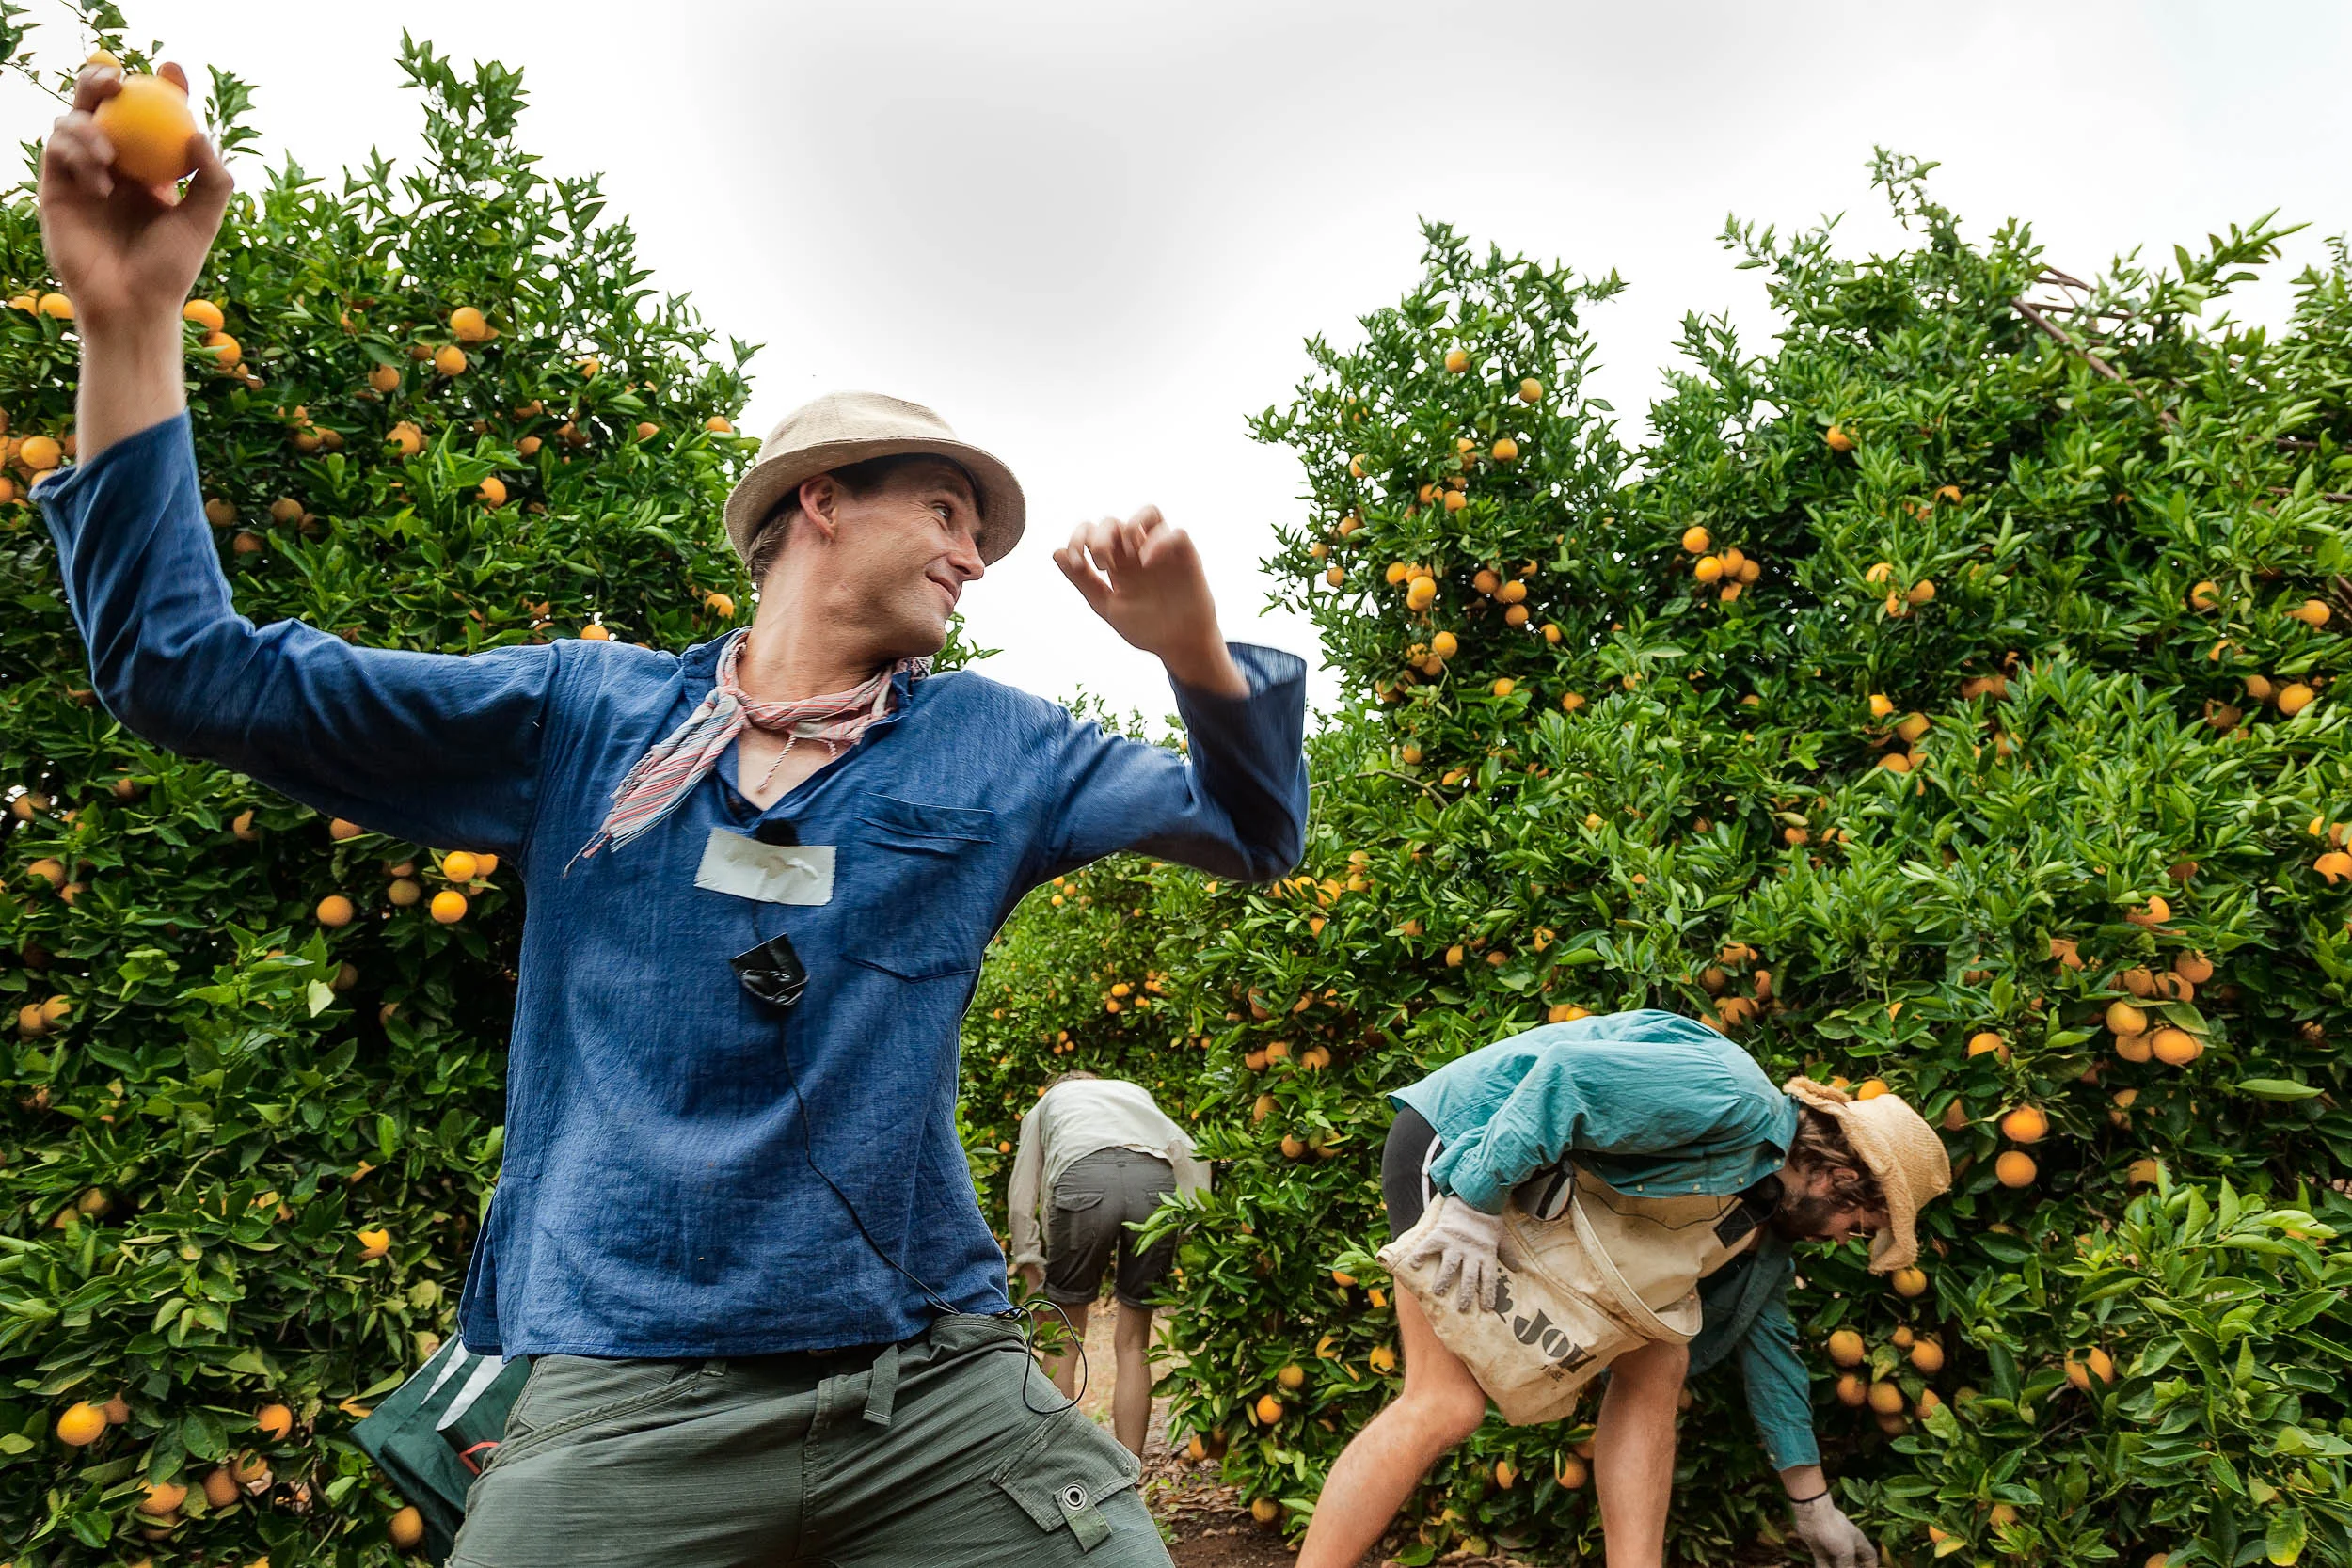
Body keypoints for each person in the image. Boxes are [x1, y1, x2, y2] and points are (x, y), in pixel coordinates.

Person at [38, 65, 1309, 1568]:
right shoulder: (584, 718)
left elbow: (1251, 832)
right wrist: (133, 322)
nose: (977, 554)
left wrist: (1192, 652)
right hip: (629, 1391)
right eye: (949, 510)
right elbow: (186, 671)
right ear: (823, 501)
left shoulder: (995, 744)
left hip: (932, 1383)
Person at [1298, 1009, 1951, 1568]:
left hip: (1530, 1191)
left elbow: (1771, 1352)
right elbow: (1567, 1079)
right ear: (1843, 1177)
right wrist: (1474, 1200)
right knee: (1445, 1403)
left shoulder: (1763, 1223)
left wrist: (1813, 1507)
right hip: (1465, 1138)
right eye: (1859, 1224)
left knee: (1660, 1358)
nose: (1844, 1239)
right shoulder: (1733, 1097)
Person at [1007, 1070, 1210, 1458]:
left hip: (1083, 1179)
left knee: (1063, 1340)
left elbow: (1021, 1193)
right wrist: (1184, 1227)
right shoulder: (1133, 1092)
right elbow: (1187, 1149)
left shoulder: (1048, 1103)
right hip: (1155, 1182)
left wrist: (1030, 1263)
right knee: (1135, 1344)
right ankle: (1131, 1472)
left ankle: (1061, 1465)